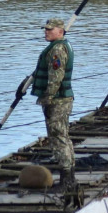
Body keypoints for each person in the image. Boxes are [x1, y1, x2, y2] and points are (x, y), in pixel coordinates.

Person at [29, 18, 77, 199]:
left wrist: (48, 98)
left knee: (58, 138)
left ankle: (67, 181)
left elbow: (56, 77)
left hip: (58, 101)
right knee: (63, 136)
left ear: (60, 31)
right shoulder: (60, 46)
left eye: (50, 29)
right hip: (63, 99)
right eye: (46, 29)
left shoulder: (57, 50)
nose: (46, 32)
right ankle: (70, 178)